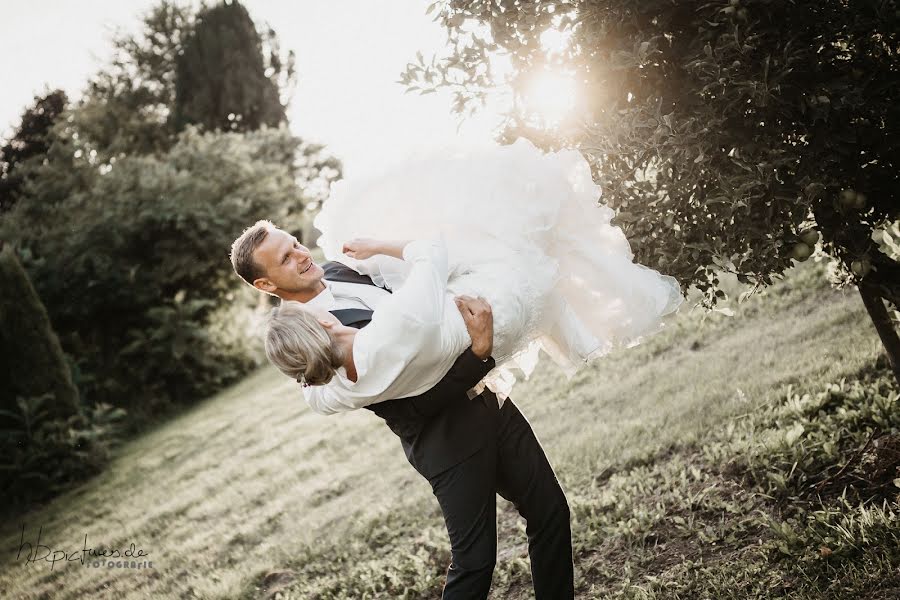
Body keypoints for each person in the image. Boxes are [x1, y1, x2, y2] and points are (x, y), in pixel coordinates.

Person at [230, 222, 575, 599]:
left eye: (295, 243)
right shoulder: (308, 341)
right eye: (285, 257)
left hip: (491, 401)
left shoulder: (338, 269)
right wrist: (479, 355)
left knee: (551, 512)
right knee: (475, 561)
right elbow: (410, 405)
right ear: (265, 284)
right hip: (447, 440)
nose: (301, 254)